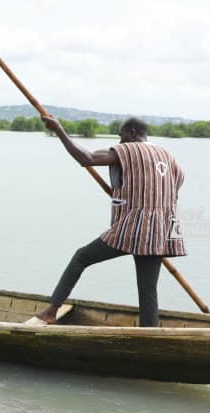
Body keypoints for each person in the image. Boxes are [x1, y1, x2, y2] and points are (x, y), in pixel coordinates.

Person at [35, 116, 186, 326]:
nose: (120, 141)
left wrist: (58, 129)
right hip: (161, 230)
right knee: (148, 289)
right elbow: (178, 181)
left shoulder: (129, 149)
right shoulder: (167, 155)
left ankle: (51, 310)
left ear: (133, 133)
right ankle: (147, 335)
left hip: (135, 228)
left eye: (121, 135)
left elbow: (86, 158)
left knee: (81, 257)